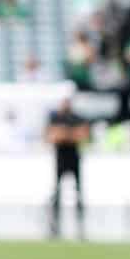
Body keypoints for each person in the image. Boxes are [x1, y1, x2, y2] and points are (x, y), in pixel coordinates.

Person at [45, 95, 91, 239]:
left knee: (78, 191)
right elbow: (52, 137)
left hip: (74, 159)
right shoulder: (55, 118)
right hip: (60, 159)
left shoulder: (77, 118)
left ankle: (80, 223)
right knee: (57, 191)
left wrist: (65, 134)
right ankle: (55, 223)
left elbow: (83, 136)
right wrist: (70, 134)